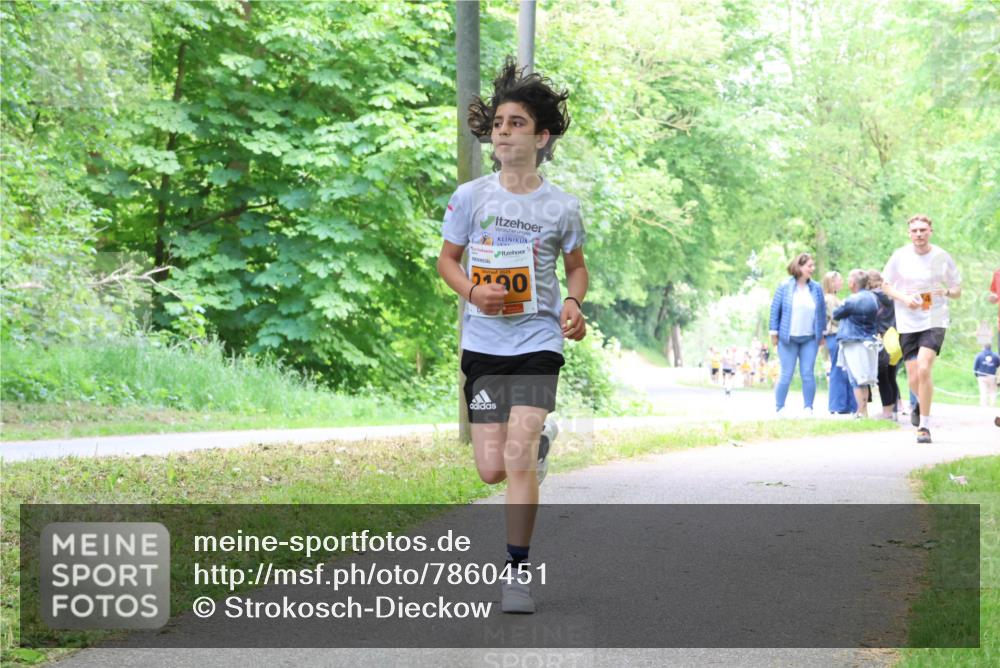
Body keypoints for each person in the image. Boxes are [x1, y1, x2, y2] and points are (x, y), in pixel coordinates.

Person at [437, 58, 586, 613]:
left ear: (542, 136)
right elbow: (447, 261)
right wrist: (474, 292)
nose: (503, 130)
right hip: (483, 345)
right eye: (498, 122)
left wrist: (572, 302)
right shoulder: (470, 197)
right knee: (491, 468)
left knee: (517, 458)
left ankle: (516, 575)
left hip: (536, 342)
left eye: (516, 122)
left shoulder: (561, 206)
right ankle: (539, 446)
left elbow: (576, 269)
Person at [880, 214, 962, 444]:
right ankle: (918, 403)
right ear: (909, 233)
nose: (919, 234)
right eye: (914, 230)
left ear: (930, 232)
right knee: (913, 377)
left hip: (935, 316)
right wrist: (905, 298)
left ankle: (924, 426)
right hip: (907, 319)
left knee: (925, 368)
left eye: (923, 230)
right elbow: (885, 285)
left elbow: (957, 289)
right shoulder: (900, 256)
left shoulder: (941, 256)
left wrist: (945, 292)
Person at [769, 253, 826, 416]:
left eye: (813, 265)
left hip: (809, 338)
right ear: (799, 267)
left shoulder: (816, 288)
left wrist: (821, 333)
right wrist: (774, 333)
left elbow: (821, 312)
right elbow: (775, 310)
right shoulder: (784, 286)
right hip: (787, 339)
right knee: (786, 373)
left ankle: (808, 408)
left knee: (807, 373)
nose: (812, 269)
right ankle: (780, 408)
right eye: (809, 266)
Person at [833, 269, 880, 418]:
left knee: (856, 379)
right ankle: (864, 412)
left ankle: (860, 412)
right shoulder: (873, 298)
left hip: (854, 341)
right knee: (865, 378)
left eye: (848, 279)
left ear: (853, 283)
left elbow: (836, 314)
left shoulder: (852, 299)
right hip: (869, 341)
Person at [821, 271, 857, 415]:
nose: (841, 282)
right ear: (831, 283)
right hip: (834, 335)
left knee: (844, 369)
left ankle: (847, 405)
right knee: (838, 369)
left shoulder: (835, 298)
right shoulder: (829, 299)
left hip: (839, 335)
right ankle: (838, 405)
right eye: (838, 280)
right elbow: (836, 317)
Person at [868, 269, 901, 420]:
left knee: (883, 378)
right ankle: (893, 412)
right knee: (892, 376)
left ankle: (886, 412)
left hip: (881, 338)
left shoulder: (872, 297)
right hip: (895, 338)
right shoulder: (892, 296)